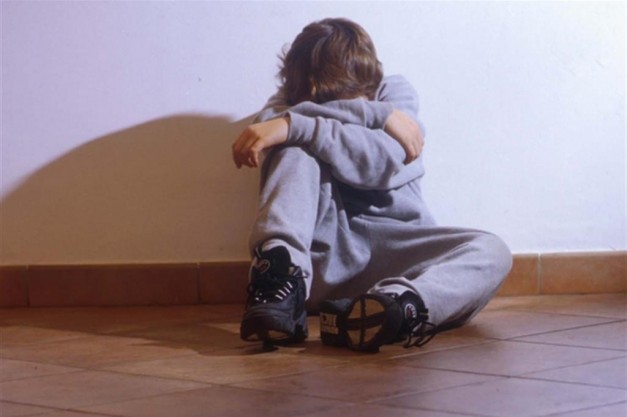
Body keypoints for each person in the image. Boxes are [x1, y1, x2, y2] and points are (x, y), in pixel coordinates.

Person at [231, 17, 512, 352]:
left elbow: (380, 161)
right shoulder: (287, 101)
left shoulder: (396, 94)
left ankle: (395, 307)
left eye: (350, 101)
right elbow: (268, 127)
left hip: (398, 255)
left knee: (493, 251)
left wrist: (299, 124)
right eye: (317, 103)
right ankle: (280, 282)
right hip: (318, 265)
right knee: (291, 147)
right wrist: (374, 116)